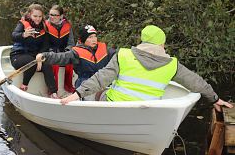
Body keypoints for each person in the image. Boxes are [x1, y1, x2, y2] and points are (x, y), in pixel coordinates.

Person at [60, 25, 233, 112]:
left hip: (114, 105)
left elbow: (101, 78)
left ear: (142, 40)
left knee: (97, 91)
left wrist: (77, 94)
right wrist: (215, 99)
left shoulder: (124, 55)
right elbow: (196, 82)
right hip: (148, 109)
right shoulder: (172, 64)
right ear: (161, 43)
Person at [36, 24, 116, 89]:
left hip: (103, 82)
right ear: (83, 40)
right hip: (85, 83)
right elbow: (60, 57)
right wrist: (44, 55)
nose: (94, 39)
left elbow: (119, 55)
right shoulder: (76, 53)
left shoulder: (105, 49)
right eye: (90, 37)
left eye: (95, 36)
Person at [10, 3, 58, 98]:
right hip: (18, 55)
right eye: (35, 16)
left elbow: (45, 46)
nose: (37, 19)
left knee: (47, 64)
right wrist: (23, 35)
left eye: (40, 16)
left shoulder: (44, 27)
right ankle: (24, 85)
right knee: (31, 63)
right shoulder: (22, 24)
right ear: (29, 15)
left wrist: (39, 57)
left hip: (35, 56)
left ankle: (53, 93)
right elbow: (13, 36)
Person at [45, 5, 75, 93]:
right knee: (54, 63)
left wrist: (68, 51)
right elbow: (44, 43)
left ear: (61, 16)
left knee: (70, 61)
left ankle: (68, 86)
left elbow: (71, 43)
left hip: (63, 51)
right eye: (50, 14)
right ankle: (53, 89)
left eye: (55, 15)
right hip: (50, 51)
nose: (52, 17)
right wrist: (52, 52)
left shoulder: (67, 26)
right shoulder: (45, 26)